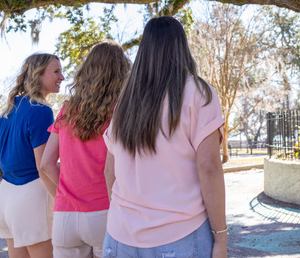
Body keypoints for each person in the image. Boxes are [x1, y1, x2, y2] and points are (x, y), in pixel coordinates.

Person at [102, 16, 227, 258]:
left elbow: (110, 171)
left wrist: (124, 217)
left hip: (119, 235)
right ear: (182, 47)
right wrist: (220, 236)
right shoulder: (199, 93)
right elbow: (209, 167)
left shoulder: (125, 101)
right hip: (179, 233)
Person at [40, 40, 131, 258]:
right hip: (106, 211)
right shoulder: (122, 111)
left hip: (65, 217)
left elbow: (45, 165)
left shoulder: (68, 109)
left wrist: (65, 196)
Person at [0, 53, 64, 258]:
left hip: (6, 197)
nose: (62, 77)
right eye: (56, 72)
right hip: (32, 198)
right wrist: (64, 200)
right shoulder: (40, 110)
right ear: (38, 75)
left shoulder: (6, 111)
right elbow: (44, 166)